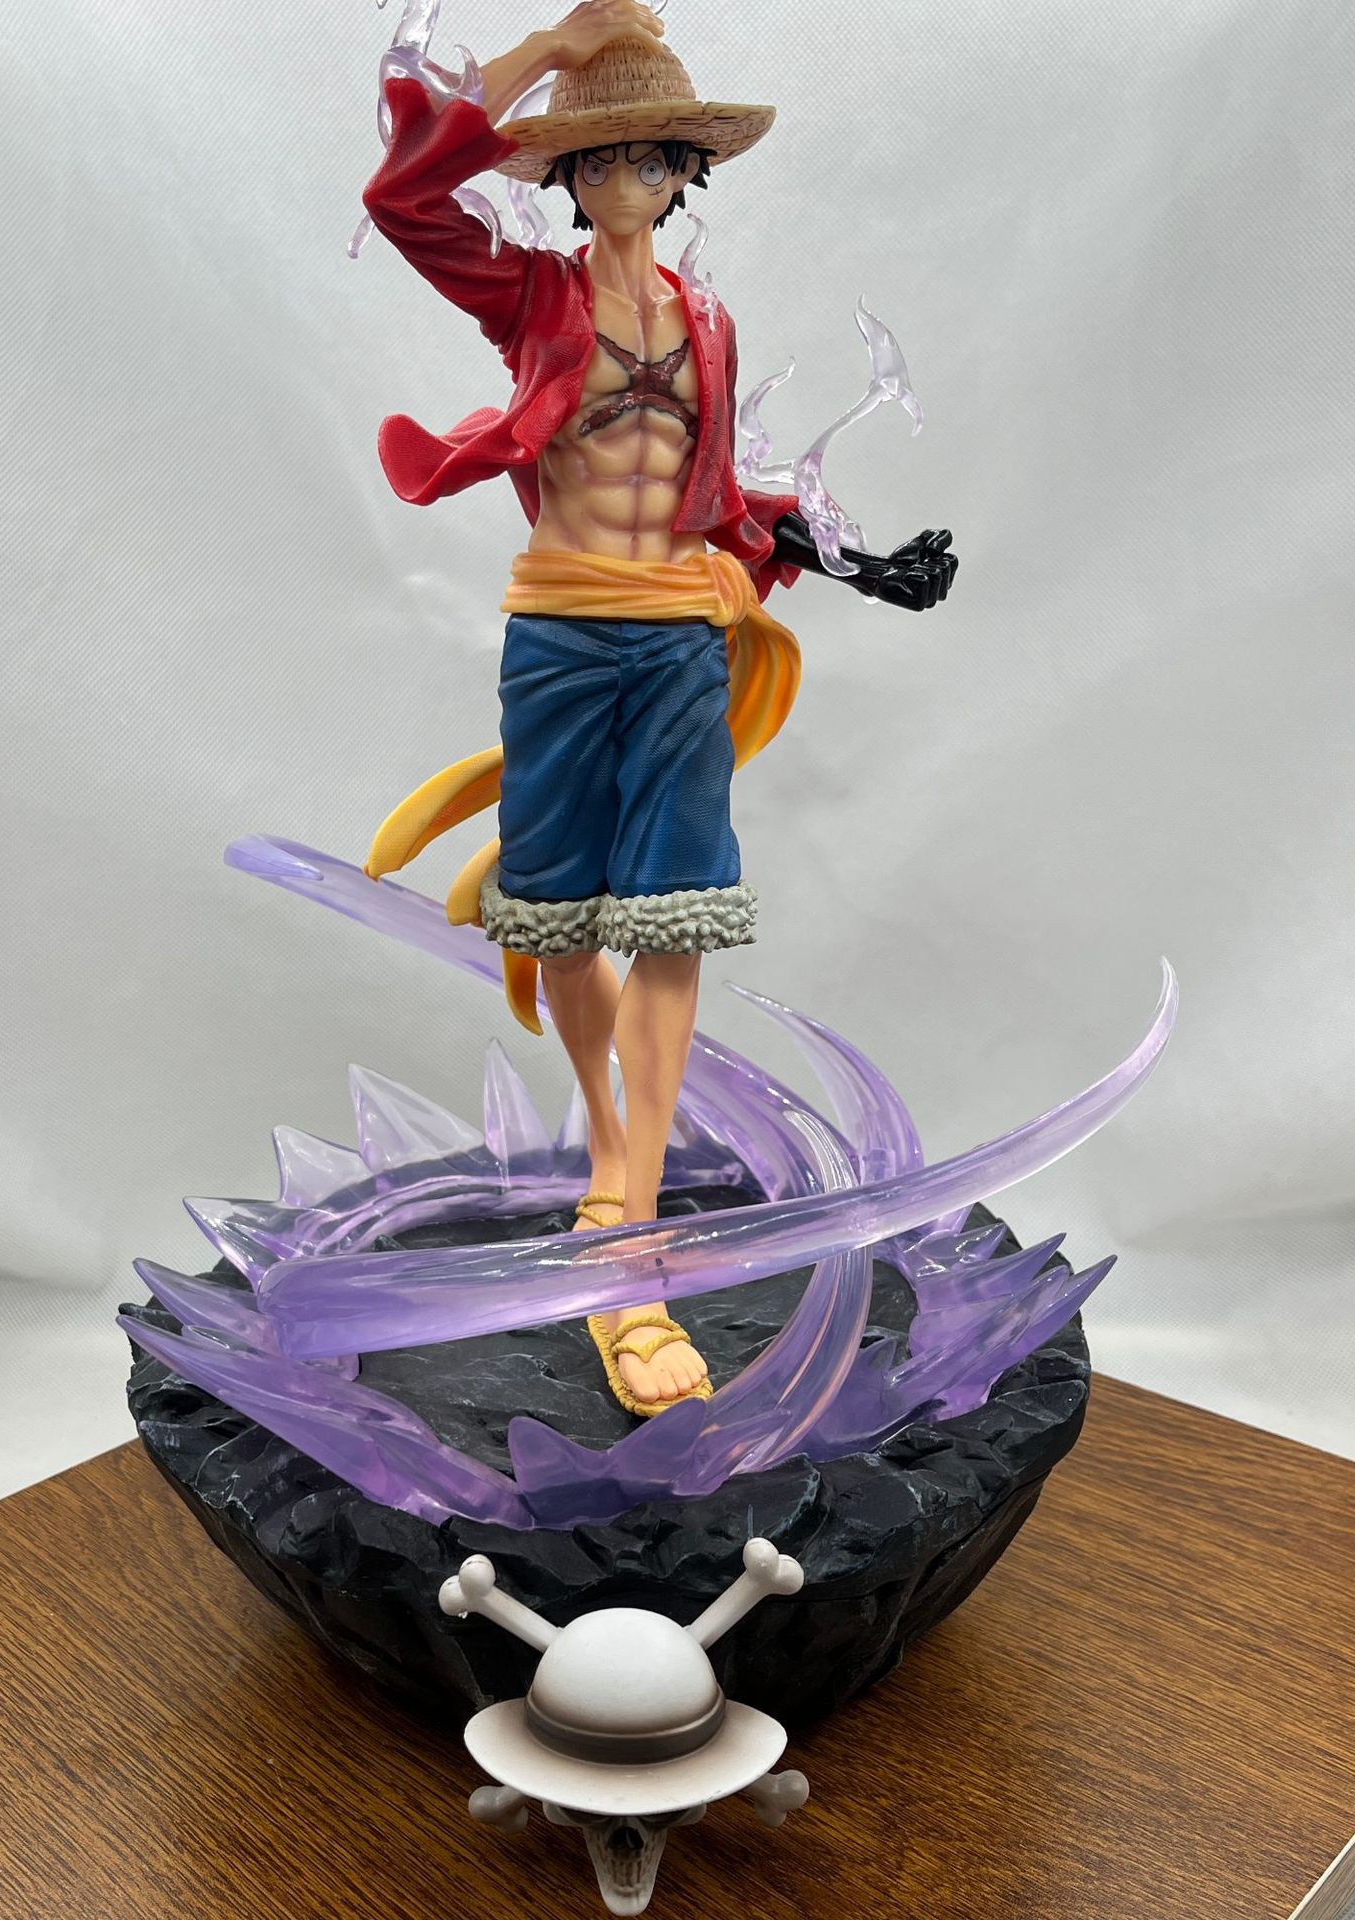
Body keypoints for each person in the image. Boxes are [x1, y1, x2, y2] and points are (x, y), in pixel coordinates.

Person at [360, 1, 953, 1418]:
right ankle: (617, 1161)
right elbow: (403, 198)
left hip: (680, 637)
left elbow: (719, 496)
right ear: (570, 174)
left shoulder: (710, 324)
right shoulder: (532, 296)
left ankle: (625, 1235)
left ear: (687, 172)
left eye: (657, 153)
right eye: (605, 153)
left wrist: (852, 562)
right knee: (563, 918)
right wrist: (550, 53)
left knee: (675, 917)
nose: (632, 175)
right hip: (563, 635)